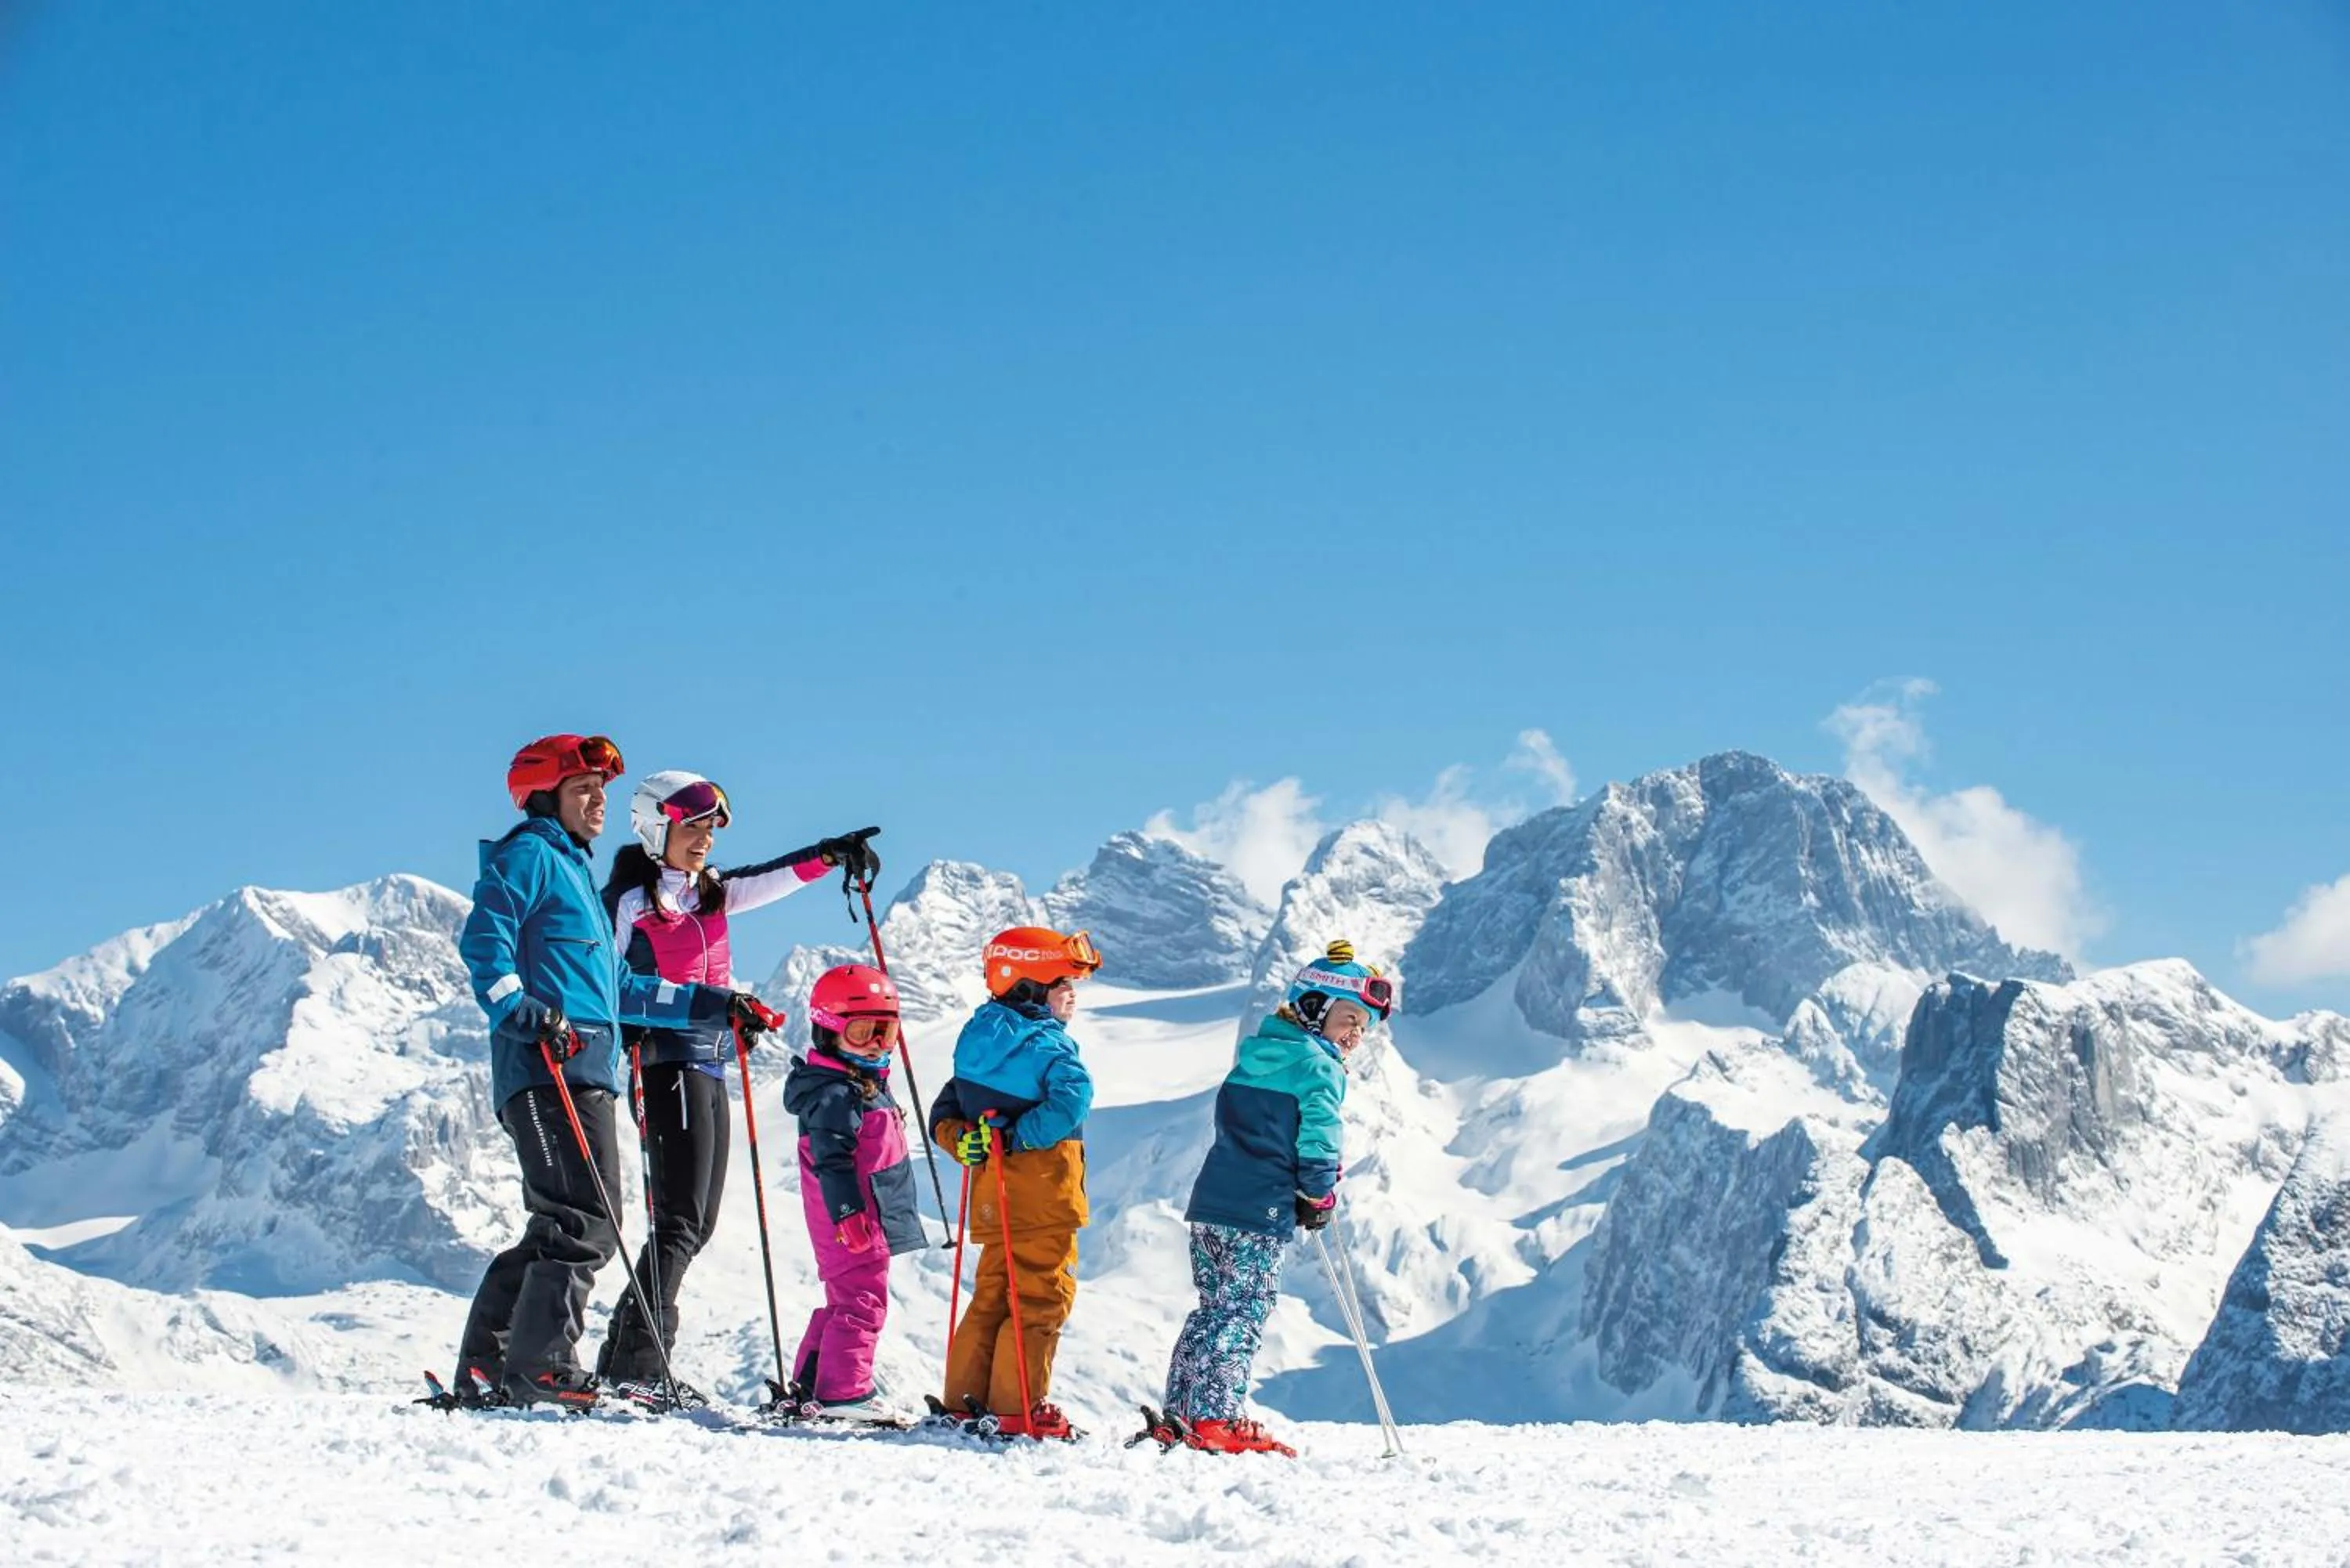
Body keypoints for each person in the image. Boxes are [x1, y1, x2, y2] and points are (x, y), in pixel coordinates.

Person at [450, 735, 765, 1410]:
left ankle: (489, 1365)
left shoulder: (576, 877)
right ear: (544, 798)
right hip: (546, 1063)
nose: (599, 802)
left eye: (601, 790)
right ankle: (544, 1367)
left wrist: (713, 1006)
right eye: (582, 790)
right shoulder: (531, 853)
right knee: (585, 1219)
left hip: (585, 1066)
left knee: (563, 1221)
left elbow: (624, 987)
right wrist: (521, 1008)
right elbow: (485, 938)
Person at [591, 770, 881, 1399]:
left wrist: (832, 855)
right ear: (653, 827)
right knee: (680, 1220)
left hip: (713, 1063)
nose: (703, 841)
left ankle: (624, 1361)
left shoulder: (710, 892)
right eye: (690, 827)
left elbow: (773, 878)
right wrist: (709, 1004)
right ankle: (639, 1367)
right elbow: (608, 989)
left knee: (695, 1223)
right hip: (665, 1062)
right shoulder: (628, 903)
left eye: (710, 829)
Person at [1151, 940, 1397, 1455]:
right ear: (1312, 1008)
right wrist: (1318, 1193)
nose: (1355, 1035)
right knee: (1243, 1311)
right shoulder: (1318, 1067)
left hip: (1213, 1205)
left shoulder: (1255, 1056)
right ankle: (1217, 1418)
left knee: (1213, 1309)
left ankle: (1183, 1413)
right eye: (1349, 1018)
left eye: (1363, 1028)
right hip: (1259, 1209)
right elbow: (1319, 1137)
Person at [928, 926, 1101, 1440]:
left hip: (991, 1193)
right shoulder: (1047, 1044)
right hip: (1044, 1193)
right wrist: (1023, 1135)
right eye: (1062, 982)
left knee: (994, 1295)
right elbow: (1075, 1096)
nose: (1072, 993)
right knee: (1041, 1297)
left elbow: (947, 1109)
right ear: (1027, 986)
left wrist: (966, 1141)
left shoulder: (976, 1040)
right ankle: (1016, 1408)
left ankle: (965, 1402)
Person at [779, 963, 928, 1419]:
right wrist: (849, 1215)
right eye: (864, 1032)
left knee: (844, 1302)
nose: (879, 1045)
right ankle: (846, 1393)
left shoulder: (857, 1084)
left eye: (887, 1032)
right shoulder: (836, 1094)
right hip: (853, 1220)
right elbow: (832, 1159)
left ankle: (810, 1384)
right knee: (863, 1304)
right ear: (829, 1031)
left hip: (863, 1217)